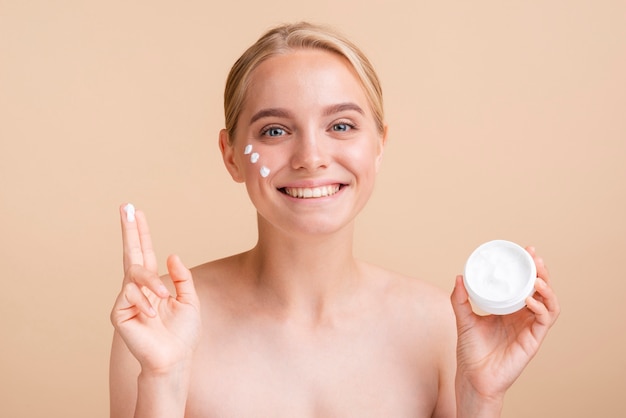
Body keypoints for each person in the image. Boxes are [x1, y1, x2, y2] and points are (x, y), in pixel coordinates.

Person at [109, 22, 560, 418]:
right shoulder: (159, 323)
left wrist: (481, 400)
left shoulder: (441, 327)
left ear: (379, 145)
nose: (311, 158)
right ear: (231, 155)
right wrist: (162, 379)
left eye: (341, 126)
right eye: (275, 131)